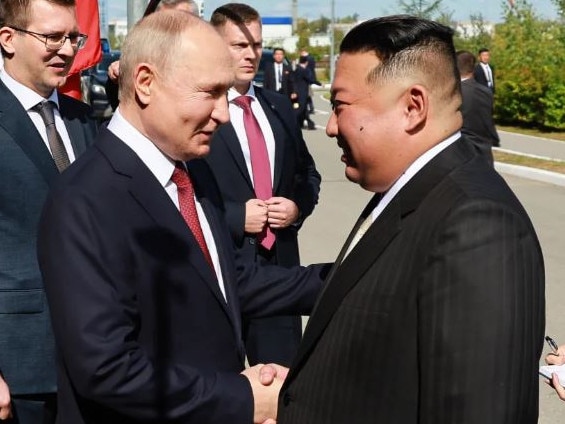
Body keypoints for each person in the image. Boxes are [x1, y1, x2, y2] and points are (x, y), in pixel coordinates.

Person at [37, 10, 327, 424]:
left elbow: (228, 281)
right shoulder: (84, 201)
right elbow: (107, 369)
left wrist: (343, 280)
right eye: (209, 93)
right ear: (145, 83)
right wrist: (243, 399)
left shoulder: (190, 169)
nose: (223, 113)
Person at [277, 15, 545, 424]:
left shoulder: (477, 225)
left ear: (412, 107)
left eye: (340, 106)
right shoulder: (411, 190)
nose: (331, 127)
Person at [207, 3, 321, 367]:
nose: (251, 54)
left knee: (278, 390)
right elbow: (176, 192)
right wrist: (235, 217)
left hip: (278, 271)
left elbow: (307, 174)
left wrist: (297, 208)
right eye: (239, 45)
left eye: (256, 45)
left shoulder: (277, 107)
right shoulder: (197, 109)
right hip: (220, 273)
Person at [0, 0, 98, 423]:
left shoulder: (83, 119)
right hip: (20, 370)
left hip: (95, 358)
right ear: (8, 39)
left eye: (72, 38)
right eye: (51, 37)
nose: (65, 49)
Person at [105, 0, 200, 111]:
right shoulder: (141, 61)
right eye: (163, 22)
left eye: (181, 22)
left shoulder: (211, 64)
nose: (171, 29)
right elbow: (123, 108)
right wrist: (120, 79)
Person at [457, 50, 500, 166]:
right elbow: (488, 119)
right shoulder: (486, 92)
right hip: (485, 153)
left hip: (462, 154)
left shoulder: (455, 93)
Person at [293, 55, 320, 130]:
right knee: (300, 109)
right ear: (306, 62)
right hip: (302, 93)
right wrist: (319, 84)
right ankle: (293, 122)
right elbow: (311, 80)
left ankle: (308, 124)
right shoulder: (303, 70)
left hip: (296, 93)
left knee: (304, 109)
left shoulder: (296, 69)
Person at [299, 49, 316, 114]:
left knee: (306, 93)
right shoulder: (311, 58)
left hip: (306, 78)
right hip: (309, 77)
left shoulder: (306, 59)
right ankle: (311, 108)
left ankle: (309, 108)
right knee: (307, 94)